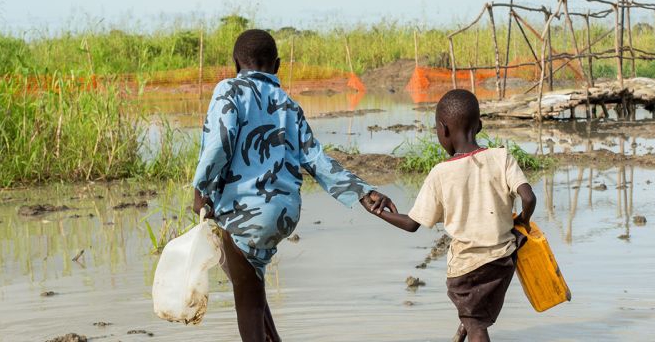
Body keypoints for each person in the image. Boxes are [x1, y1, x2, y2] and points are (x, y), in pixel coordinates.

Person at [190, 29, 394, 342]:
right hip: (284, 213)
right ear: (278, 66)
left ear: (235, 63)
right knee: (249, 281)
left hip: (245, 212)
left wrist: (201, 188)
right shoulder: (288, 104)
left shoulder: (228, 89)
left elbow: (220, 143)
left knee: (246, 305)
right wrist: (363, 192)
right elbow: (317, 161)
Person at [366, 89, 537, 342]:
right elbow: (529, 197)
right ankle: (461, 333)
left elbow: (412, 224)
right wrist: (522, 219)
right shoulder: (501, 157)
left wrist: (377, 211)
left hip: (467, 270)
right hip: (503, 261)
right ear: (479, 125)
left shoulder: (441, 174)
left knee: (477, 326)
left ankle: (469, 329)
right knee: (475, 315)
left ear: (443, 129)